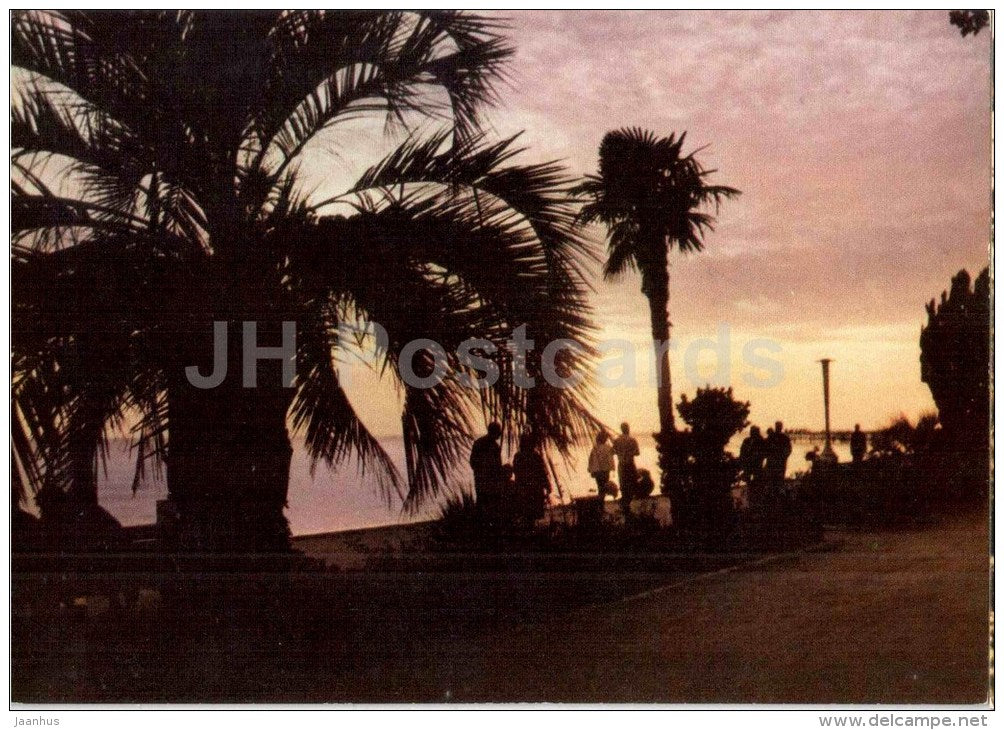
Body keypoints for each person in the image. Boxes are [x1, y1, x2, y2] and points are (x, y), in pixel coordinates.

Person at [512, 433, 552, 525]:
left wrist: (546, 484)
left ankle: (528, 526)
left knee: (527, 512)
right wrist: (547, 485)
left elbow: (516, 471)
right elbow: (542, 472)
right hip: (532, 488)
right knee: (530, 512)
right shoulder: (534, 456)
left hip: (526, 488)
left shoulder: (519, 456)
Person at [470, 422, 503, 528]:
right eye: (498, 432)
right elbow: (473, 462)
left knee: (484, 501)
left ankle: (483, 525)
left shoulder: (480, 443)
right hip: (486, 479)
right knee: (486, 501)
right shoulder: (491, 446)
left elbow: (472, 462)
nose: (500, 435)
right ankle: (484, 525)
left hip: (483, 479)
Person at [612, 422, 640, 512]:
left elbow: (613, 452)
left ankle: (625, 505)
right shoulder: (632, 440)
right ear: (628, 429)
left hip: (621, 464)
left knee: (623, 484)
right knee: (632, 483)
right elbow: (637, 453)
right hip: (630, 464)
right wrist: (629, 452)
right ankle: (627, 504)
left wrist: (621, 452)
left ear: (621, 429)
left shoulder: (617, 440)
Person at [765, 421, 792, 495]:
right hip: (773, 462)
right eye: (777, 426)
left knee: (778, 479)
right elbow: (765, 448)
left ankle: (777, 494)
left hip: (779, 462)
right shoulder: (772, 437)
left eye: (779, 426)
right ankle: (773, 494)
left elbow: (789, 450)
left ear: (781, 427)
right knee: (772, 480)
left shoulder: (784, 437)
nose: (778, 428)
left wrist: (783, 457)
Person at [587, 432, 615, 496]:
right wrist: (611, 439)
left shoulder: (595, 448)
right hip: (605, 470)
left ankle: (601, 499)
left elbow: (591, 459)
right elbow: (614, 451)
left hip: (597, 470)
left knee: (600, 486)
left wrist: (590, 469)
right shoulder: (608, 447)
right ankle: (602, 498)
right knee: (605, 485)